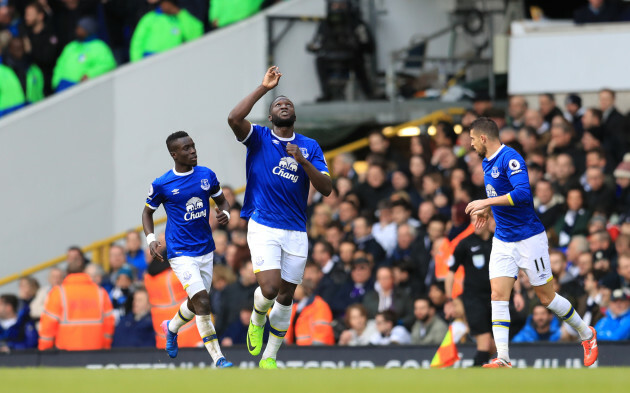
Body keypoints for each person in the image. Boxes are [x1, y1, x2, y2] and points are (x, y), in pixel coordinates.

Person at [465, 117, 597, 368]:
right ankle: (503, 356)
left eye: (472, 139)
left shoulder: (510, 158)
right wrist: (487, 211)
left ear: (483, 138)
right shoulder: (486, 162)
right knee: (497, 295)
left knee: (546, 298)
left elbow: (523, 194)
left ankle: (587, 335)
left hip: (529, 238)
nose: (471, 145)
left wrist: (485, 203)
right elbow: (500, 198)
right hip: (503, 239)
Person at [226, 66, 331, 369]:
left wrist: (303, 162)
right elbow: (233, 118)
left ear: (294, 116)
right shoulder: (258, 137)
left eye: (288, 104)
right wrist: (263, 88)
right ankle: (258, 318)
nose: (283, 105)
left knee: (286, 296)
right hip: (263, 223)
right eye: (277, 105)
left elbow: (326, 188)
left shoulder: (309, 147)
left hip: (296, 229)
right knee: (270, 289)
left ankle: (270, 357)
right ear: (270, 117)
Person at [142, 131, 233, 368]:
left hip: (205, 249)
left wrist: (226, 212)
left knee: (195, 304)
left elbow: (221, 200)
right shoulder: (162, 184)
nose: (193, 151)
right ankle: (218, 358)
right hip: (180, 251)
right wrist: (151, 239)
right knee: (202, 301)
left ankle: (171, 328)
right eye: (186, 148)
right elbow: (147, 212)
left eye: (193, 146)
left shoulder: (206, 175)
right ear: (174, 154)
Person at [445, 213, 494, 366]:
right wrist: (449, 300)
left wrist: (517, 292)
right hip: (473, 298)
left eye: (478, 220)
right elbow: (450, 272)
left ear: (488, 220)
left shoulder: (499, 241)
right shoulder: (465, 243)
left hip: (497, 297)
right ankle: (477, 371)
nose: (475, 224)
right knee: (484, 338)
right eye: (472, 221)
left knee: (491, 344)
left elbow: (513, 268)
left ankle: (479, 366)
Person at [38, 257, 114, 351]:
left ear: (67, 273)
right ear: (84, 272)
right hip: (96, 348)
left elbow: (48, 324)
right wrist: (106, 345)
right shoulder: (101, 292)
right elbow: (109, 323)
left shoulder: (59, 293)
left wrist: (44, 348)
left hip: (66, 350)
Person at [51, 17, 116, 92]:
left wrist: (90, 75)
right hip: (64, 88)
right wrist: (57, 82)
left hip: (89, 89)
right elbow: (60, 65)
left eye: (80, 28)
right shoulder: (71, 46)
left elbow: (108, 64)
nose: (77, 30)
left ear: (87, 30)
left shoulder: (99, 46)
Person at [130, 0, 203, 62]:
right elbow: (137, 43)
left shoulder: (180, 18)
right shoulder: (149, 18)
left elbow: (196, 36)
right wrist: (137, 64)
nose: (166, 5)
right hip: (149, 60)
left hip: (174, 60)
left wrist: (178, 12)